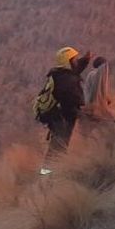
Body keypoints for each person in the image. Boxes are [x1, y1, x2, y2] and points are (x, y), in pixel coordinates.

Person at [39, 46, 91, 175]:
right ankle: (49, 175)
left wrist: (86, 60)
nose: (76, 61)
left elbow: (76, 69)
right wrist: (81, 112)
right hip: (62, 117)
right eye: (74, 59)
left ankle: (49, 172)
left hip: (57, 115)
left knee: (59, 143)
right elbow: (70, 101)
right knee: (59, 144)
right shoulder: (66, 80)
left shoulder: (61, 74)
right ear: (68, 61)